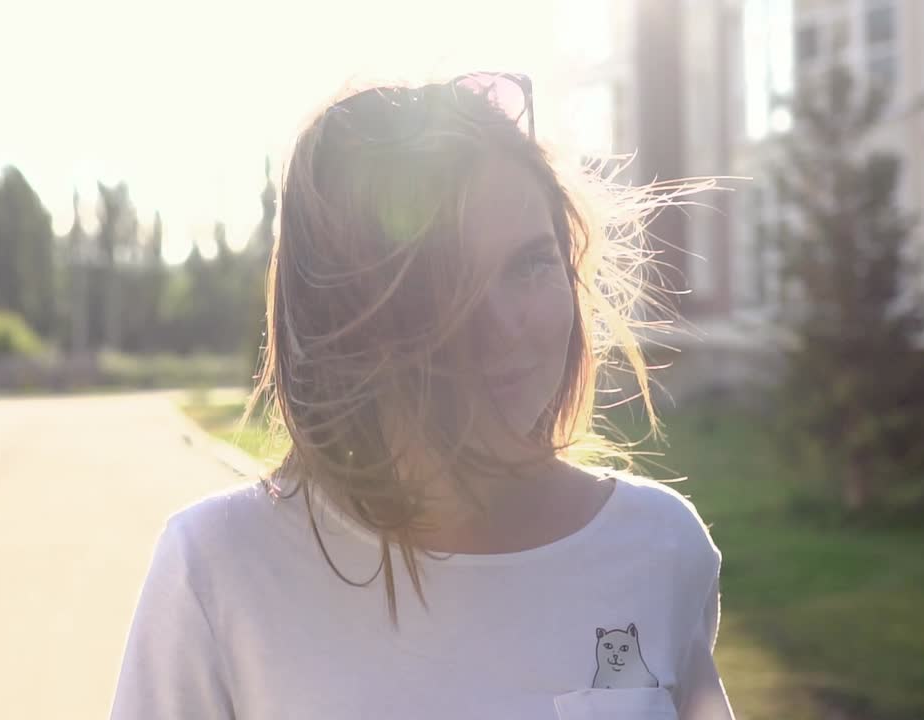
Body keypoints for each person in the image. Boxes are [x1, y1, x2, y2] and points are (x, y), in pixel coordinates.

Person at [111, 73, 734, 719]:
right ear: (347, 315)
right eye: (443, 282)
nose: (504, 327)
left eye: (530, 264)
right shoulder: (217, 569)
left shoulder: (660, 548)